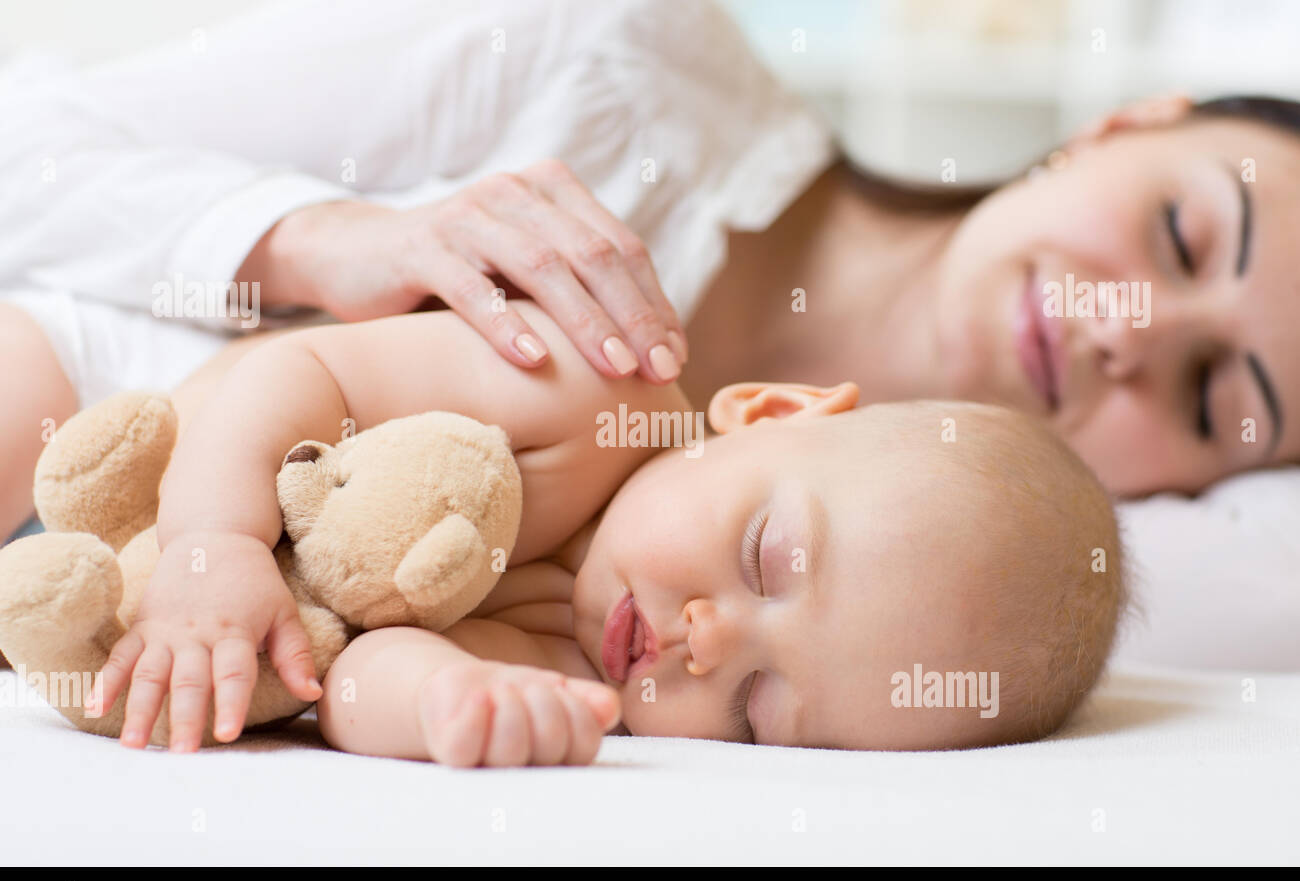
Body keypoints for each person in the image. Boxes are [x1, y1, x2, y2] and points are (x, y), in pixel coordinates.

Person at [2, 1, 1296, 512]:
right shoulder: (604, 50)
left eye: (1211, 400)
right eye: (1182, 235)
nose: (1134, 330)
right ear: (1122, 123)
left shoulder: (884, 643)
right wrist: (315, 237)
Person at [79, 301, 1125, 764]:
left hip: (84, 595)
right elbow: (303, 374)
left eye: (755, 708)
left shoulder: (584, 675)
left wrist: (451, 702)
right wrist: (211, 545)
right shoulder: (593, 395)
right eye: (766, 558)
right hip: (120, 409)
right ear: (766, 413)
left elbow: (343, 680)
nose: (705, 644)